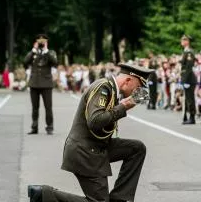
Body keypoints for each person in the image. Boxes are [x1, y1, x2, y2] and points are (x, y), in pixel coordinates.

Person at [27, 63, 153, 202]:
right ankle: (44, 195)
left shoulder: (113, 90)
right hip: (85, 152)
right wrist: (123, 107)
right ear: (128, 80)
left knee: (137, 149)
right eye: (139, 86)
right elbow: (95, 121)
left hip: (97, 146)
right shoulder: (103, 88)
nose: (139, 91)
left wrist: (123, 106)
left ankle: (119, 199)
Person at [24, 34, 58, 135]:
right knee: (35, 107)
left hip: (46, 84)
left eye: (43, 41)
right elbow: (25, 62)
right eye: (39, 41)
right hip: (34, 83)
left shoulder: (50, 53)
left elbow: (55, 63)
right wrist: (33, 50)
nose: (41, 43)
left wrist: (46, 51)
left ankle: (50, 127)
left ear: (46, 42)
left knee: (48, 107)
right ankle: (34, 127)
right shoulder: (33, 53)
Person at [180, 34, 197, 124]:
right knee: (187, 98)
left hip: (189, 79)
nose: (182, 41)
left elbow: (188, 68)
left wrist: (184, 80)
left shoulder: (189, 52)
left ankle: (192, 117)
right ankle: (188, 116)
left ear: (187, 42)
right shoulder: (185, 51)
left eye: (183, 40)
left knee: (190, 99)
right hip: (187, 79)